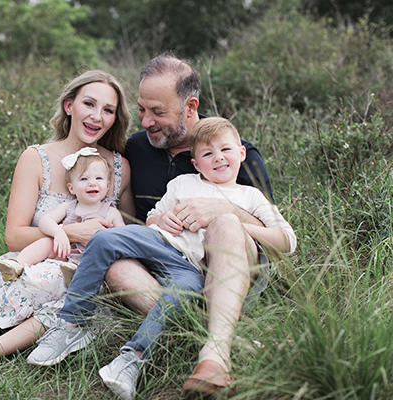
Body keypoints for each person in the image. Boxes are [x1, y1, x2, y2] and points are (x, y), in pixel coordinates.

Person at [27, 117, 296, 400]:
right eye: (207, 153)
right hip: (159, 241)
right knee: (104, 238)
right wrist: (162, 218)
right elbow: (153, 216)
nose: (218, 158)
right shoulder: (182, 183)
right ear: (195, 163)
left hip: (190, 266)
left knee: (183, 291)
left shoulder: (250, 196)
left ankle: (132, 359)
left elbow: (288, 241)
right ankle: (71, 323)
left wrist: (233, 221)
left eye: (225, 150)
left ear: (242, 152)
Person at [0, 70, 134, 372]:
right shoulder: (36, 159)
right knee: (50, 279)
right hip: (36, 265)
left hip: (88, 273)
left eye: (108, 110)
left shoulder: (120, 168)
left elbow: (130, 234)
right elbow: (14, 236)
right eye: (89, 104)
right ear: (69, 106)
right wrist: (73, 232)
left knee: (72, 292)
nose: (97, 116)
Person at [0, 148, 125, 284]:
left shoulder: (110, 212)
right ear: (71, 188)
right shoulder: (68, 207)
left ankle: (76, 276)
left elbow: (124, 238)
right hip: (64, 254)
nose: (92, 183)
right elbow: (45, 220)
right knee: (46, 242)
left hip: (91, 259)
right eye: (84, 179)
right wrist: (58, 232)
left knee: (99, 258)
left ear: (107, 185)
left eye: (99, 178)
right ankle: (17, 265)